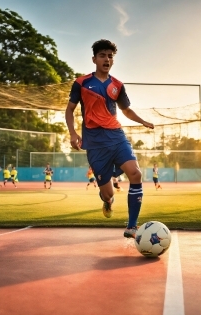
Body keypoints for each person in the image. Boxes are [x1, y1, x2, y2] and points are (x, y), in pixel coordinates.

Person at [64, 39, 154, 239]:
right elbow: (69, 109)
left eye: (110, 56)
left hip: (116, 136)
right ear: (94, 59)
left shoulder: (117, 85)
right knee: (108, 194)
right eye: (103, 55)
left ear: (113, 60)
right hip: (95, 143)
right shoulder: (81, 83)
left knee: (135, 174)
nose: (107, 59)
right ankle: (107, 201)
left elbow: (126, 110)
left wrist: (142, 121)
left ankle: (132, 226)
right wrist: (72, 133)